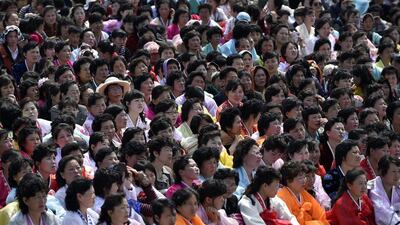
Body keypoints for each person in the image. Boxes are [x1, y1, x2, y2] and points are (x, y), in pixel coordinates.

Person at [368, 155, 400, 225]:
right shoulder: (373, 188)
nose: (397, 175)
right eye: (394, 172)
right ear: (382, 172)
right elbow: (383, 214)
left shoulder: (397, 186)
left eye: (399, 171)